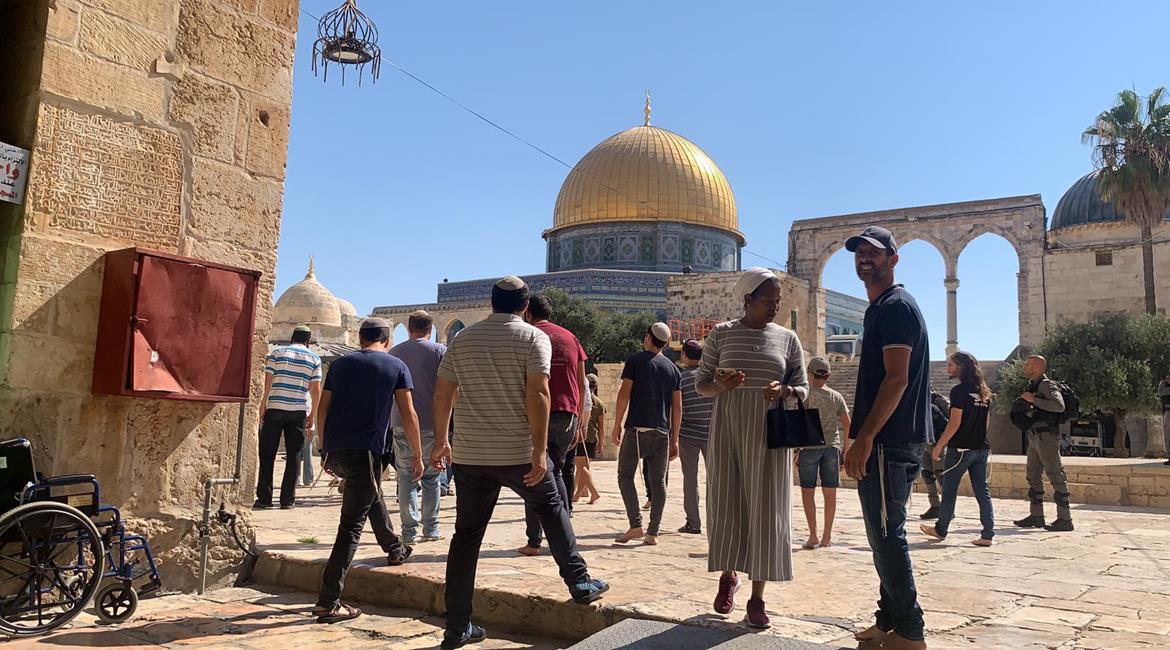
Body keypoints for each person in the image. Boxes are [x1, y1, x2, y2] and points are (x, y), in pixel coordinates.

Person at [430, 276, 608, 649]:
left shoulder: (463, 340)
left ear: (491, 303)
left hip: (472, 455)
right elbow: (539, 391)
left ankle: (457, 626)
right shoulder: (533, 338)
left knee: (466, 538)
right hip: (516, 453)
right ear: (525, 307)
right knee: (551, 506)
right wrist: (539, 449)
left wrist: (442, 441)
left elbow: (444, 391)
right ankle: (578, 581)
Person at [695, 268, 808, 630]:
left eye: (778, 300)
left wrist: (785, 392)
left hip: (769, 432)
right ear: (747, 300)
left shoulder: (788, 339)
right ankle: (728, 574)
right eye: (768, 300)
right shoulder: (722, 335)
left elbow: (804, 387)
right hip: (728, 428)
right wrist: (722, 386)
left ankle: (757, 598)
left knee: (766, 508)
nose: (775, 306)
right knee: (726, 501)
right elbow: (701, 385)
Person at [841, 227, 930, 650]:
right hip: (888, 441)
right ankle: (889, 620)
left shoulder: (895, 308)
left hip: (888, 442)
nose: (864, 258)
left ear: (893, 260)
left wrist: (865, 437)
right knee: (883, 533)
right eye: (859, 252)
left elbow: (896, 380)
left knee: (886, 536)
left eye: (873, 253)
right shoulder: (880, 308)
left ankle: (911, 632)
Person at [313, 318, 423, 624]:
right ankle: (328, 601)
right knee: (350, 526)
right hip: (367, 450)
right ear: (386, 340)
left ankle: (395, 548)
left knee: (370, 494)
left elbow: (323, 408)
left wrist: (324, 448)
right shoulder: (396, 366)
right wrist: (417, 454)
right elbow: (408, 413)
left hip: (339, 450)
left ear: (360, 338)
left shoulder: (339, 365)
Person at [519, 293, 591, 557]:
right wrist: (580, 421)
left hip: (541, 412)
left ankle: (534, 541)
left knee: (533, 474)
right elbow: (582, 383)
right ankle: (564, 531)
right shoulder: (570, 337)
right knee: (557, 471)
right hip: (569, 413)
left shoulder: (528, 335)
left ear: (527, 312)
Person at [611, 322, 682, 547]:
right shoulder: (673, 369)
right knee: (659, 482)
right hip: (662, 431)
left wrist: (617, 425)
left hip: (637, 430)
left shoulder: (635, 361)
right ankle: (653, 532)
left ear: (649, 338)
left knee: (625, 476)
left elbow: (624, 395)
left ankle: (635, 524)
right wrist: (675, 438)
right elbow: (678, 407)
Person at [920, 351, 995, 546]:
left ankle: (941, 529)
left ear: (961, 366)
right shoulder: (984, 392)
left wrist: (939, 446)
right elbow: (986, 424)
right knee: (982, 491)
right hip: (981, 449)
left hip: (960, 450)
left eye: (951, 364)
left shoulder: (959, 392)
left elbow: (953, 424)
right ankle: (987, 534)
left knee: (950, 490)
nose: (948, 368)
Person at [389, 310, 447, 545]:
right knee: (432, 478)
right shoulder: (440, 351)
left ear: (409, 328)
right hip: (433, 424)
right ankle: (430, 529)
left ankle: (408, 531)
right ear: (430, 330)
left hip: (402, 423)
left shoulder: (395, 353)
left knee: (406, 478)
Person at [256, 325, 321, 510]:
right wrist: (312, 415)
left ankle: (264, 499)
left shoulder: (277, 353)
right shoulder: (314, 358)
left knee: (267, 454)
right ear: (308, 340)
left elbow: (266, 382)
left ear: (292, 338)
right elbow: (315, 389)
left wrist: (262, 405)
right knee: (294, 456)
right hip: (298, 410)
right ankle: (287, 500)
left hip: (275, 408)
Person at [1013, 355, 1073, 532]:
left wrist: (1033, 400)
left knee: (1055, 474)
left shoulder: (1047, 385)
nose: (1024, 366)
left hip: (1046, 436)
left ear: (1038, 367)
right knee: (1033, 475)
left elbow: (1058, 406)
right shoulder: (1033, 385)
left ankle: (1065, 518)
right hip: (1034, 436)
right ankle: (1036, 515)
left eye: (1028, 364)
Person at [796, 356, 850, 550]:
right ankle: (827, 536)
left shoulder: (806, 395)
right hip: (832, 447)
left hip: (809, 448)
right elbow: (847, 423)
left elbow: (798, 423)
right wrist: (845, 449)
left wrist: (797, 449)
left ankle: (813, 535)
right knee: (830, 493)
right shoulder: (836, 396)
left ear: (809, 373)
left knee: (807, 492)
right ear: (829, 375)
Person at [677, 339, 714, 535]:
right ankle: (717, 520)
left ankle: (693, 522)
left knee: (690, 479)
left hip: (688, 434)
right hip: (712, 434)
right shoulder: (712, 377)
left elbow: (678, 408)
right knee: (715, 479)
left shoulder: (681, 379)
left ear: (684, 355)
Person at [572, 374, 604, 504]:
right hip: (592, 438)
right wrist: (601, 443)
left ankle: (594, 492)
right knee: (584, 466)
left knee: (580, 467)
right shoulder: (600, 403)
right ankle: (579, 493)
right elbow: (601, 427)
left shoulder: (581, 398)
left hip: (581, 435)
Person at [918, 390, 950, 520]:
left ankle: (948, 508)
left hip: (936, 444)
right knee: (927, 474)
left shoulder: (933, 407)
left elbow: (944, 425)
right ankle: (935, 506)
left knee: (940, 474)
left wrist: (940, 445)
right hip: (924, 444)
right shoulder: (916, 405)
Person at [1159, 375, 1170, 466]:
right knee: (1168, 437)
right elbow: (1161, 391)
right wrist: (1163, 381)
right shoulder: (1165, 389)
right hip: (1167, 414)